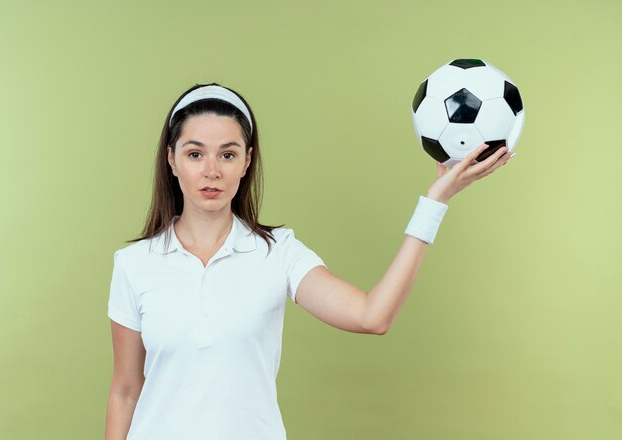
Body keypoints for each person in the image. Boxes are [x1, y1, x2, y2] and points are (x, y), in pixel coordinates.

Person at [104, 83, 513, 440]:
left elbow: (372, 316)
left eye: (227, 155)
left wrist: (434, 203)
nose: (211, 170)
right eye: (195, 154)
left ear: (247, 161)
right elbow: (125, 390)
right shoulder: (135, 263)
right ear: (171, 160)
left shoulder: (278, 252)